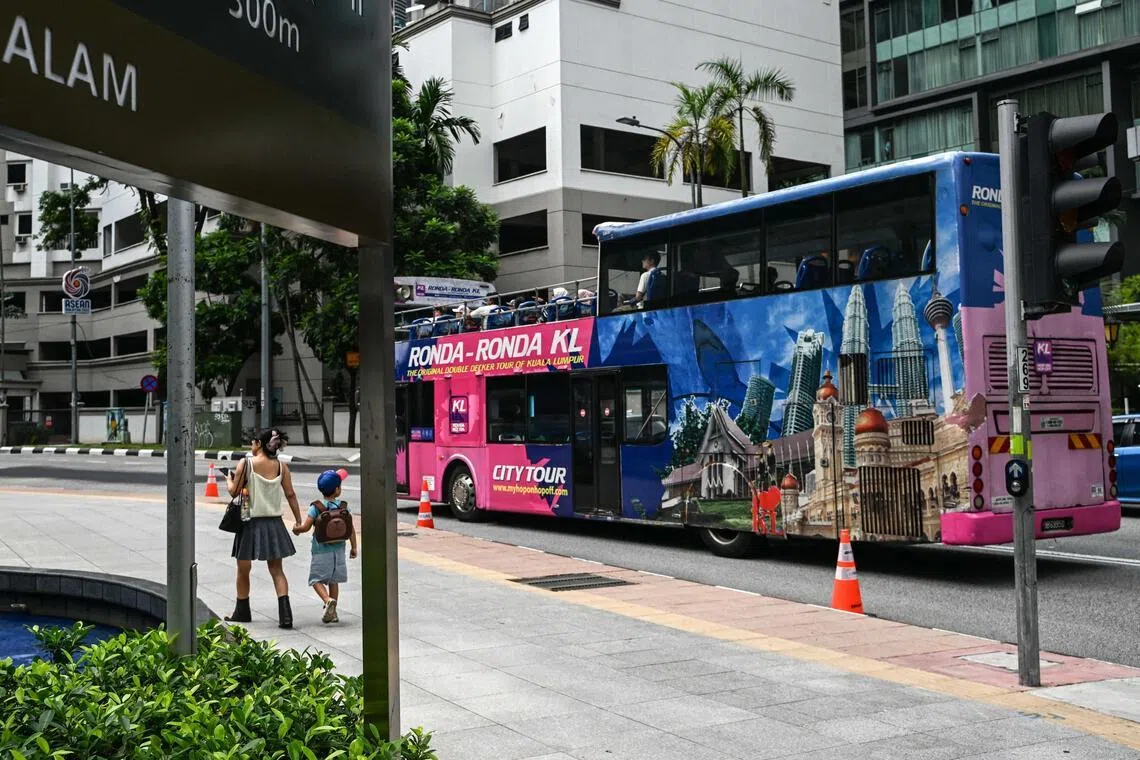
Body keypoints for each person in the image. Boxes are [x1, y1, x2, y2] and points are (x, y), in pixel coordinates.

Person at [223, 428, 303, 629]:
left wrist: (228, 480)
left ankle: (242, 611)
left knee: (243, 569)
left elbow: (234, 492)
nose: (251, 445)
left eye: (253, 442)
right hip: (274, 523)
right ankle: (286, 616)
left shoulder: (247, 463)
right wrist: (298, 521)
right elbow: (291, 495)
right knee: (277, 570)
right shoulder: (282, 467)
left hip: (249, 521)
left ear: (259, 443)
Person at [293, 470, 358, 624]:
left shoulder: (316, 507)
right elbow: (351, 529)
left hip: (320, 551)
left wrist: (297, 530)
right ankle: (333, 612)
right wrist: (354, 547)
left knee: (316, 579)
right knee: (333, 581)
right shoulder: (343, 507)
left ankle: (327, 600)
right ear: (337, 489)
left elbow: (306, 527)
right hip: (339, 551)